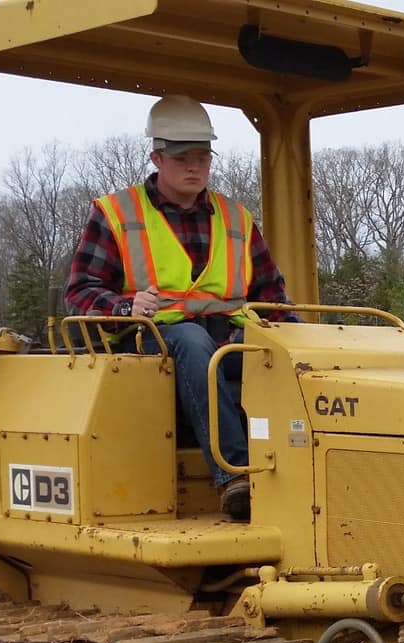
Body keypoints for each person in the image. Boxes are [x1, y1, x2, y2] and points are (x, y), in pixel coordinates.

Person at [65, 95, 291, 521]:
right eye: (183, 157)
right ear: (156, 157)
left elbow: (271, 294)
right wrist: (125, 305)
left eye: (203, 157)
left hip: (227, 338)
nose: (195, 167)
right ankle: (234, 475)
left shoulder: (236, 218)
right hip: (151, 340)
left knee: (270, 351)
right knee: (192, 341)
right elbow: (81, 290)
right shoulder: (116, 213)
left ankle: (297, 469)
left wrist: (298, 341)